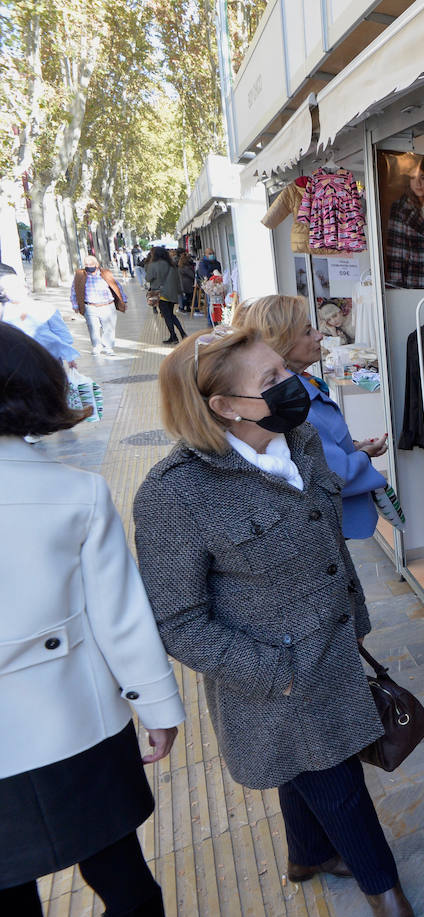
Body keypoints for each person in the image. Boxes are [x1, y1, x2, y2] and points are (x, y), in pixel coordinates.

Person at [130, 327, 413, 916]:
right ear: (225, 407)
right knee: (339, 786)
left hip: (333, 648)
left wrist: (354, 617)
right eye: (272, 382)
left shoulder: (300, 437)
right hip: (276, 683)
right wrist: (275, 671)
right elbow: (179, 621)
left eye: (285, 370)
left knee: (303, 770)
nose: (294, 385)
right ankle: (385, 892)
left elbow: (325, 537)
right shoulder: (176, 494)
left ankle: (306, 855)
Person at [0, 324, 185, 917]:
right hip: (77, 724)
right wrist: (157, 707)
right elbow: (120, 617)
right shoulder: (75, 493)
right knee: (124, 879)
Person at [238, 295, 390, 539]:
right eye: (308, 331)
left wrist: (350, 448)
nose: (320, 335)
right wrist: (363, 455)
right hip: (329, 521)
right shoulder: (294, 401)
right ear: (282, 344)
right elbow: (334, 473)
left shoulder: (298, 388)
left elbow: (314, 449)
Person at [1, 262, 79, 369]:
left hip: (50, 359)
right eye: (9, 290)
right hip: (20, 362)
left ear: (25, 288)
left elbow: (63, 333)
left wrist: (70, 357)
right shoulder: (4, 313)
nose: (14, 292)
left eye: (17, 288)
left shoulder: (45, 308)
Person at [384, 156, 424, 289]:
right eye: (413, 178)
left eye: (422, 177)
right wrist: (397, 289)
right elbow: (395, 254)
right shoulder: (400, 209)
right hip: (412, 282)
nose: (418, 183)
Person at [70, 253, 126, 356]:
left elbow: (117, 286)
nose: (89, 266)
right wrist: (75, 305)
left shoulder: (106, 273)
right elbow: (74, 290)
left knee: (109, 328)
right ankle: (97, 346)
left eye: (91, 263)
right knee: (93, 328)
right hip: (90, 307)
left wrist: (123, 299)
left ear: (97, 264)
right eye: (86, 264)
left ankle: (108, 347)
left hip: (107, 305)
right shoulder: (80, 275)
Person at [144, 247, 185, 343]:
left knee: (167, 316)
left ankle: (174, 337)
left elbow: (148, 278)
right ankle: (182, 334)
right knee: (171, 314)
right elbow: (177, 280)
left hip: (161, 294)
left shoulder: (153, 265)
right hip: (172, 294)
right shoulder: (172, 265)